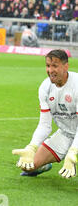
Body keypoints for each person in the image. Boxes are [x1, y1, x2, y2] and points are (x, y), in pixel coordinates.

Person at [12, 49, 77, 179]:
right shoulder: (45, 88)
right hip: (65, 134)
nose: (50, 70)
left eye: (55, 66)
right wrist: (32, 147)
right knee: (28, 166)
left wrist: (74, 151)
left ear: (66, 66)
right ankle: (44, 165)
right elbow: (45, 125)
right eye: (48, 66)